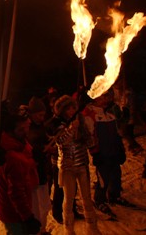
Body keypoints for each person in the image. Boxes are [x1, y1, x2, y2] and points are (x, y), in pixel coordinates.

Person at [48, 95, 101, 235]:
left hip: (82, 164)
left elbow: (89, 143)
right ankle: (68, 229)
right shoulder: (57, 123)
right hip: (67, 167)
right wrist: (70, 129)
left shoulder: (80, 120)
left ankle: (92, 227)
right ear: (62, 110)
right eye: (68, 108)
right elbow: (60, 142)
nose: (71, 111)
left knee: (87, 198)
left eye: (73, 107)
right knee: (69, 199)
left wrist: (90, 133)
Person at [0, 113, 42, 235]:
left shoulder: (17, 142)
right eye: (21, 129)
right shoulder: (10, 156)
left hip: (15, 210)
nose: (26, 132)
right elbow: (16, 192)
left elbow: (24, 163)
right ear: (10, 131)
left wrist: (34, 158)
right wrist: (28, 218)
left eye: (27, 127)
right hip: (14, 213)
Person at [83, 89, 129, 216]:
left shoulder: (110, 112)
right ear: (96, 98)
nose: (107, 98)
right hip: (102, 153)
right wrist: (95, 153)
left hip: (113, 150)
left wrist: (121, 149)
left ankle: (114, 196)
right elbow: (90, 136)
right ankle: (99, 200)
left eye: (107, 96)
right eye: (103, 96)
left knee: (116, 174)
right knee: (103, 177)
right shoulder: (90, 114)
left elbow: (117, 133)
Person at [25, 97, 53, 235]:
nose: (42, 118)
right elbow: (28, 148)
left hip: (42, 170)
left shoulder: (40, 126)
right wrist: (41, 149)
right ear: (32, 113)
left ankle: (42, 229)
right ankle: (37, 231)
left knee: (45, 204)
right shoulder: (26, 127)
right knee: (35, 207)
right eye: (40, 115)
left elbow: (43, 139)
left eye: (43, 115)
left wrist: (49, 144)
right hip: (32, 172)